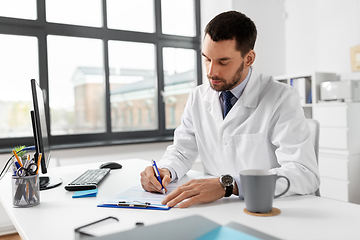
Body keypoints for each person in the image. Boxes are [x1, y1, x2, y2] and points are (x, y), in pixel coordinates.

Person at [140, 10, 320, 208]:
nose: (211, 71)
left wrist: (228, 184)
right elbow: (182, 151)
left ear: (249, 59)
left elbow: (304, 173)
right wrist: (166, 170)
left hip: (269, 208)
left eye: (223, 61)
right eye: (207, 59)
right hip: (219, 209)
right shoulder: (198, 97)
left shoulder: (281, 98)